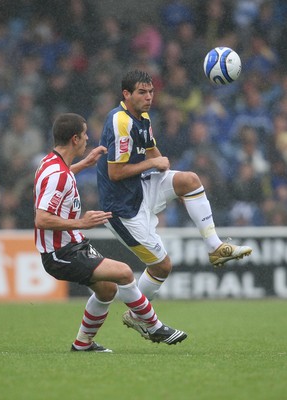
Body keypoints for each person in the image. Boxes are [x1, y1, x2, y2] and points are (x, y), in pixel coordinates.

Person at [96, 70, 252, 336]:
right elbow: (115, 172)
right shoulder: (120, 121)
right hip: (122, 209)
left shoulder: (142, 117)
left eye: (151, 92)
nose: (148, 97)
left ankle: (215, 247)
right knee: (162, 266)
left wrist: (167, 172)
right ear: (126, 94)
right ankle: (138, 315)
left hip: (141, 188)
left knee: (189, 180)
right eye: (142, 92)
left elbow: (153, 150)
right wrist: (154, 163)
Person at [34, 113, 187, 352]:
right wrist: (81, 223)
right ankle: (154, 326)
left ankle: (82, 344)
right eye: (84, 135)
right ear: (75, 139)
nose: (87, 139)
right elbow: (41, 219)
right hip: (59, 252)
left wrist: (83, 164)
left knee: (107, 289)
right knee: (124, 273)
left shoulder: (51, 163)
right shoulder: (58, 175)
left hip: (73, 245)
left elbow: (59, 178)